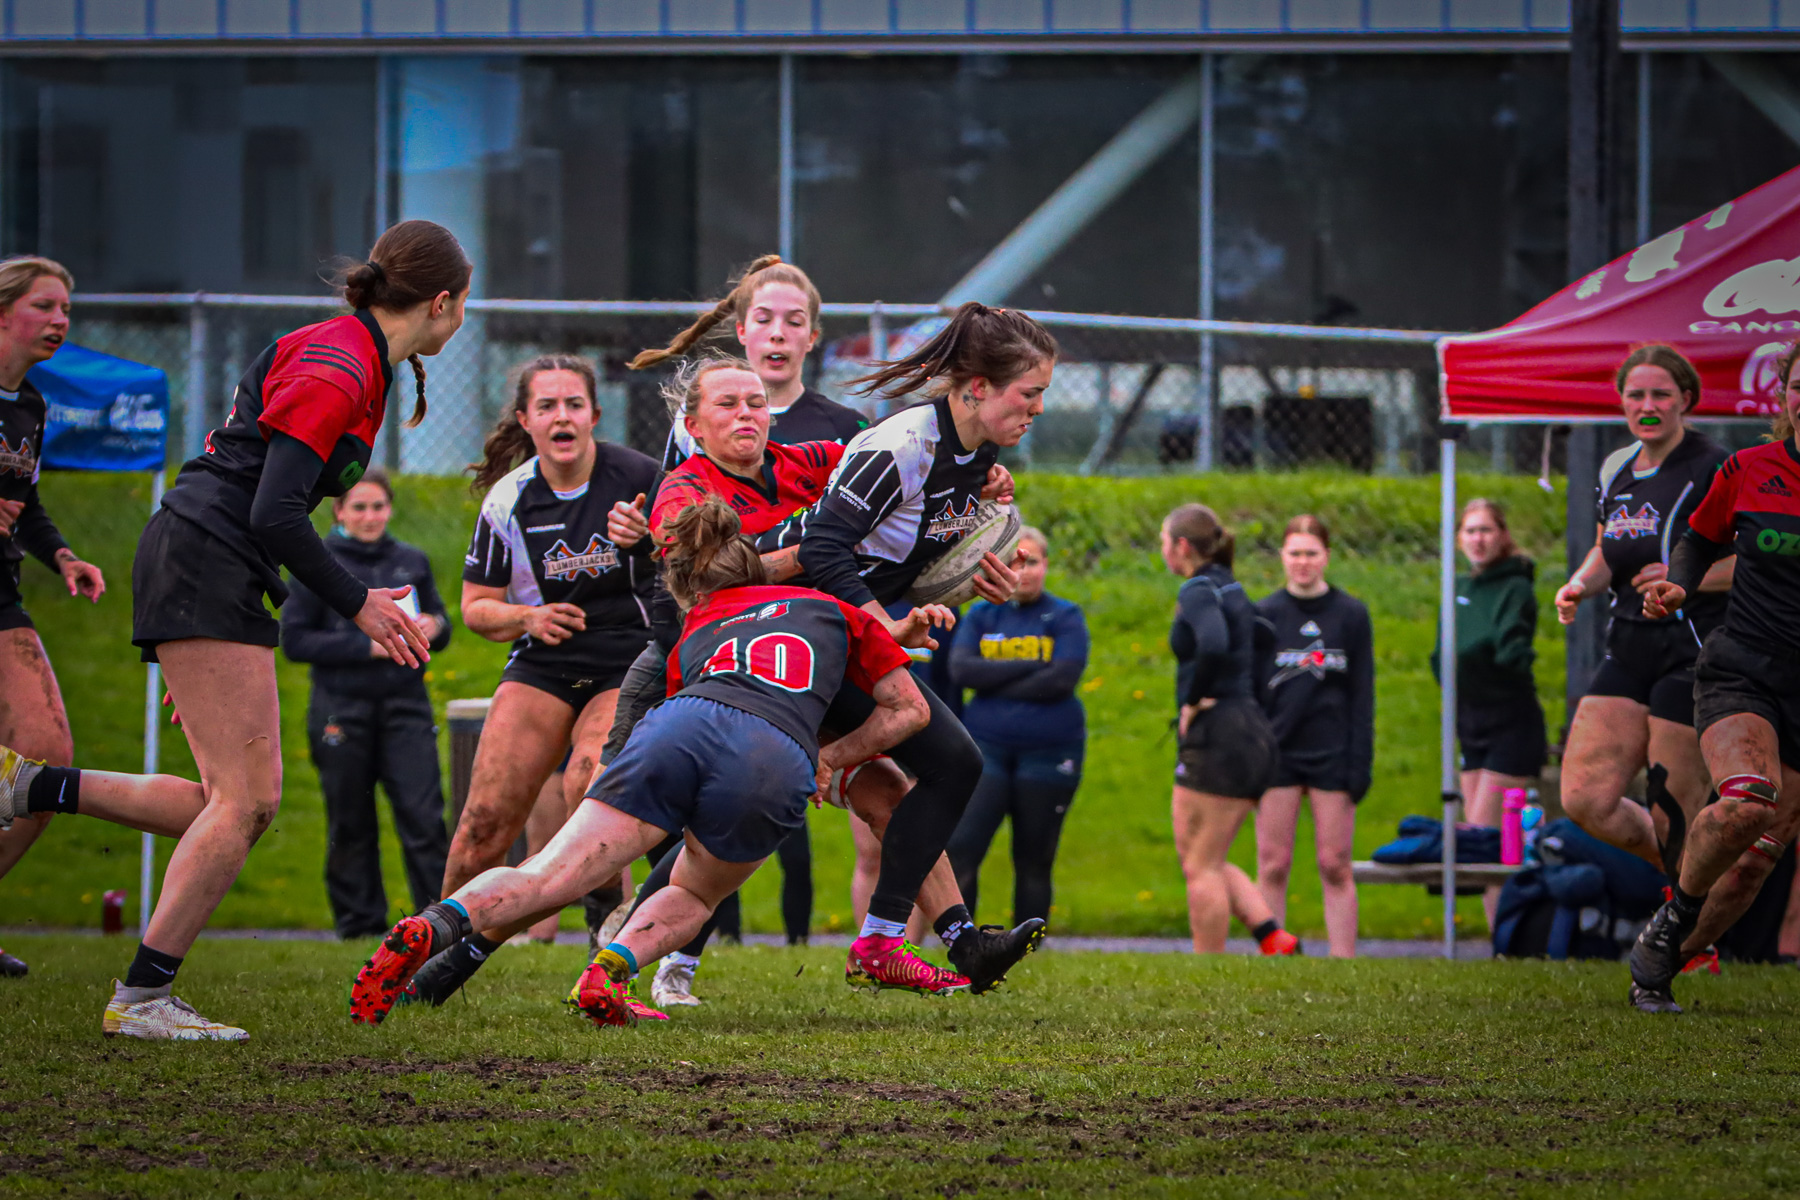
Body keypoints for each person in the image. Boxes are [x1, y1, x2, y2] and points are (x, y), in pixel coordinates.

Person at [0, 219, 470, 1040]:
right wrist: (359, 601)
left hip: (215, 559)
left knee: (226, 805)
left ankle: (32, 788)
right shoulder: (341, 361)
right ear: (442, 302)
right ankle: (143, 998)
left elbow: (271, 510)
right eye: (464, 305)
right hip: (208, 554)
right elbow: (274, 509)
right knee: (246, 803)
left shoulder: (355, 354)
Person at [349, 494, 930, 1028]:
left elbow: (691, 702)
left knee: (549, 872)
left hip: (680, 723)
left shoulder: (698, 625)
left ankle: (435, 923)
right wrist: (832, 756)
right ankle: (608, 973)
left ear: (695, 590)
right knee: (699, 894)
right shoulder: (828, 606)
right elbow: (909, 712)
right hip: (772, 751)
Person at [768, 301, 1060, 992]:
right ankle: (629, 947)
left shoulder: (975, 452)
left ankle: (893, 941)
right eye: (1031, 393)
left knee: (950, 765)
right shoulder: (900, 445)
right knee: (739, 802)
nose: (1039, 409)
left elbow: (914, 550)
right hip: (793, 624)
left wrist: (971, 572)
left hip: (844, 630)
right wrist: (883, 625)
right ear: (976, 386)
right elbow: (823, 547)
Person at [620, 256, 867, 1000]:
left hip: (813, 652)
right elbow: (684, 559)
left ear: (814, 337)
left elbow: (899, 508)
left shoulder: (842, 433)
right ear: (741, 328)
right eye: (764, 317)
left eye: (794, 320)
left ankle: (898, 939)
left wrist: (976, 488)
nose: (778, 331)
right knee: (640, 812)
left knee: (882, 789)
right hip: (705, 650)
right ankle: (644, 948)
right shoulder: (696, 436)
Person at [400, 353, 660, 1006]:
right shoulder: (510, 497)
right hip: (544, 662)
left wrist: (649, 540)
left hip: (627, 660)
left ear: (595, 415)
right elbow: (476, 606)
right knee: (485, 823)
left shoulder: (640, 478)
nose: (562, 416)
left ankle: (605, 913)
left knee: (588, 778)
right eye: (546, 406)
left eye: (574, 404)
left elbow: (694, 564)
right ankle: (421, 957)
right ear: (526, 420)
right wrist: (529, 615)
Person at [1552, 347, 1757, 986]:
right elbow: (1606, 545)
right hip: (1628, 642)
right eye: (1636, 394)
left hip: (1691, 645)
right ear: (1621, 400)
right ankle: (1691, 881)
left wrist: (1687, 578)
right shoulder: (1616, 467)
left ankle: (1690, 937)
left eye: (1661, 394)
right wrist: (1579, 585)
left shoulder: (1714, 464)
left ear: (1686, 400)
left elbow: (1753, 562)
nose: (1647, 406)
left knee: (1672, 807)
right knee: (1584, 796)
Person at [1634, 338, 1800, 1013]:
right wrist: (1680, 583)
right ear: (1786, 397)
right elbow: (1701, 536)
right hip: (1744, 672)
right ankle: (1676, 915)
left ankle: (1661, 967)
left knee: (1759, 856)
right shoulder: (1750, 467)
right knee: (1747, 800)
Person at [279, 467, 453, 939]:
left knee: (423, 816)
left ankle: (436, 923)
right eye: (359, 506)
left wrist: (435, 627)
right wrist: (366, 647)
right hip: (342, 708)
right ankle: (358, 925)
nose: (370, 516)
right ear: (338, 511)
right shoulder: (320, 564)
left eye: (378, 506)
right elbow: (293, 640)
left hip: (405, 706)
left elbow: (441, 621)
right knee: (351, 819)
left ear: (390, 509)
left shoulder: (410, 560)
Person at [0, 255, 107, 979]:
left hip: (2, 596)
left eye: (66, 309)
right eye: (45, 306)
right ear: (3, 313)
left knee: (45, 759)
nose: (60, 321)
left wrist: (62, 554)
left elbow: (24, 501)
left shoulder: (29, 405)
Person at [1161, 502, 1298, 956]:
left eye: (1164, 541)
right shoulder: (1234, 589)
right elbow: (1265, 638)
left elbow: (1214, 643)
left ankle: (1207, 968)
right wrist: (1245, 697)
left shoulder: (1197, 589)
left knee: (1199, 865)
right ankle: (1273, 938)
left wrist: (1195, 699)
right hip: (1251, 730)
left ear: (1181, 547)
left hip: (1219, 735)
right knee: (1209, 856)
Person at [945, 526, 1088, 926]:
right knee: (963, 848)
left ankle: (1028, 949)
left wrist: (994, 675)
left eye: (1033, 562)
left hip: (1050, 753)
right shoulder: (981, 614)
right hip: (987, 749)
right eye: (1013, 563)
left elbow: (1062, 680)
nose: (1023, 572)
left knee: (1034, 858)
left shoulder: (1065, 616)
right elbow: (962, 670)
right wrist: (1032, 665)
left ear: (1047, 565)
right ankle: (965, 944)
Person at [1254, 515, 1372, 959]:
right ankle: (1275, 953)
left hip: (1333, 754)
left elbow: (1363, 696)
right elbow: (1252, 692)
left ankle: (1344, 961)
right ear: (1282, 557)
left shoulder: (1351, 615)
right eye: (1295, 553)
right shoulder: (1264, 614)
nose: (1303, 562)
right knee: (1273, 863)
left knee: (1334, 864)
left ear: (1326, 557)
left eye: (1312, 553)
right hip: (1277, 755)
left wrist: (1360, 763)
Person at [1432, 497, 1544, 929]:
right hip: (1469, 721)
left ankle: (1509, 940)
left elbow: (1508, 651)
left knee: (1482, 837)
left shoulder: (1515, 586)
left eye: (1486, 530)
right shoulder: (1459, 586)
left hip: (1509, 724)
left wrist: (1478, 658)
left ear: (1502, 536)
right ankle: (1503, 940)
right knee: (1486, 844)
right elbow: (1446, 653)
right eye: (1470, 531)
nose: (1478, 539)